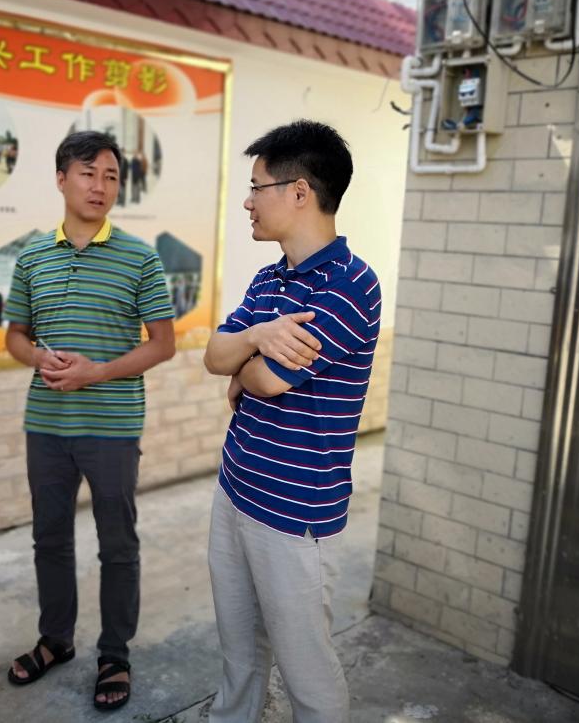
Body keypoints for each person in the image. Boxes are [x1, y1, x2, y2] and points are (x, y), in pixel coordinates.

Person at [202, 121, 381, 723]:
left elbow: (265, 382)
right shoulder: (269, 278)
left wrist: (246, 363)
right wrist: (256, 337)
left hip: (295, 513)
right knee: (239, 655)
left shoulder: (350, 284)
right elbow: (215, 356)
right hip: (236, 489)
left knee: (308, 672)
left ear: (299, 192)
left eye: (257, 187)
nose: (248, 202)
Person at [3, 131, 176, 712]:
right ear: (61, 179)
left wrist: (95, 372)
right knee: (49, 538)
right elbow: (15, 336)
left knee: (117, 544)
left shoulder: (140, 257)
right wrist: (38, 357)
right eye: (87, 173)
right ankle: (55, 639)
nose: (100, 186)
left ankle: (115, 654)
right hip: (46, 426)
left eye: (110, 176)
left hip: (112, 428)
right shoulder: (32, 256)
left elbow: (163, 345)